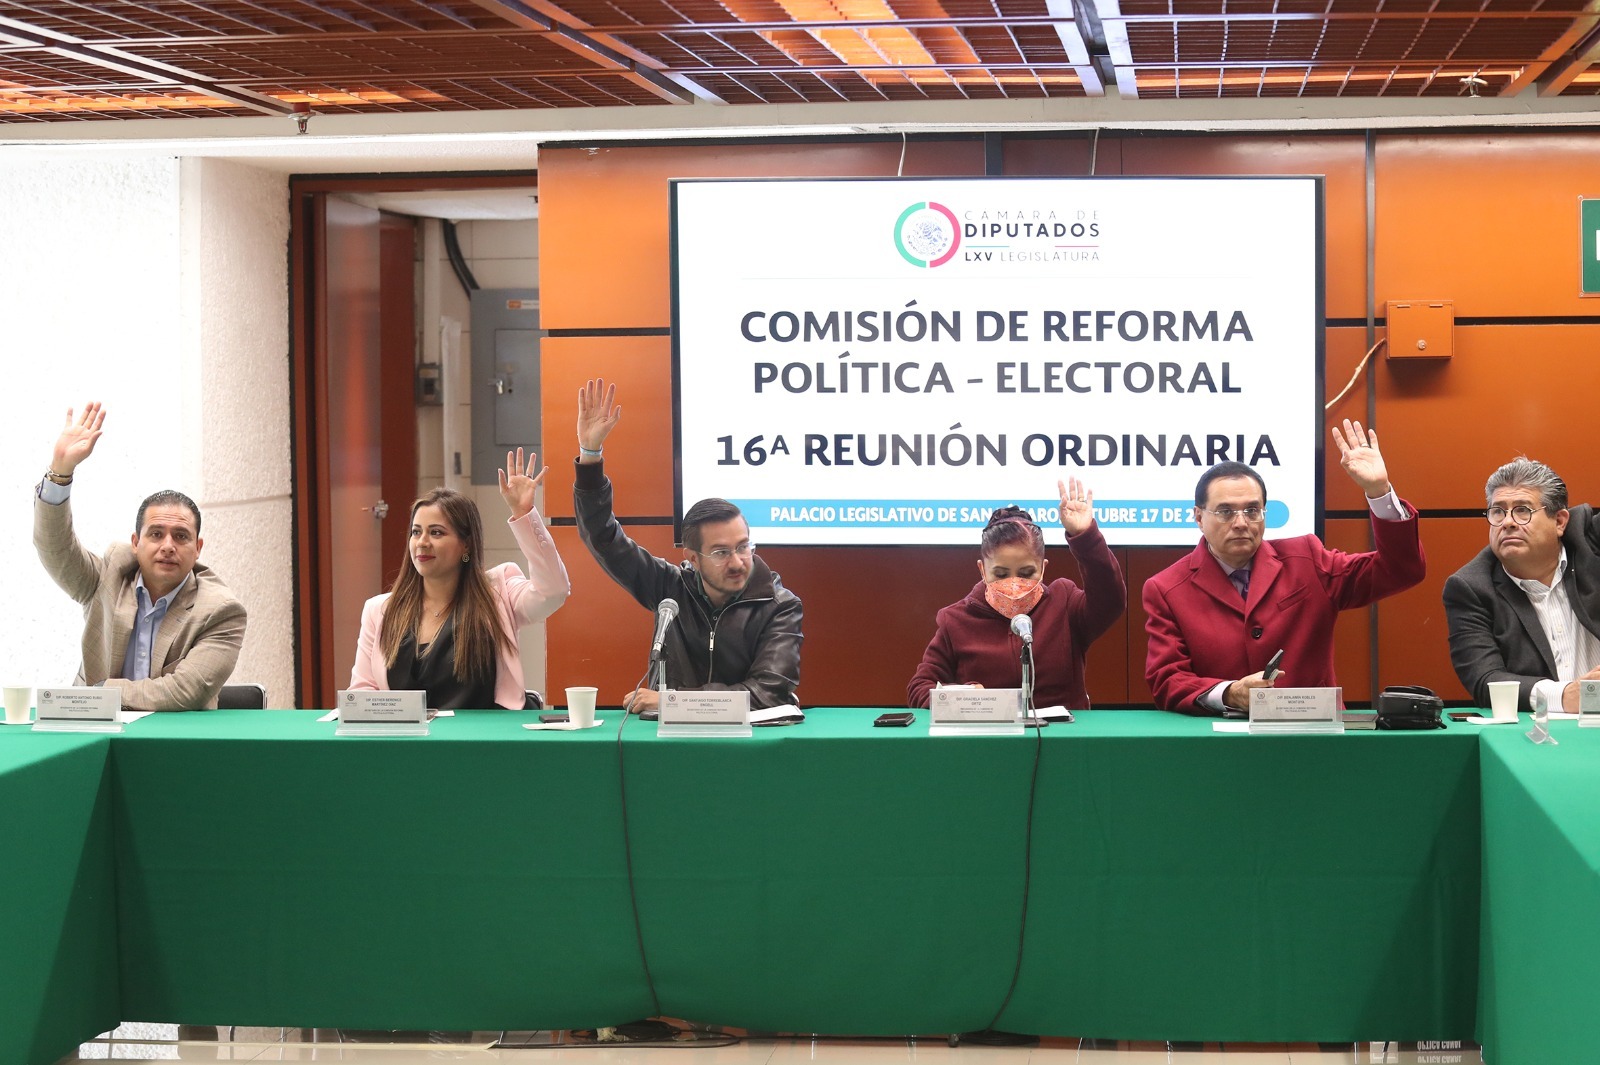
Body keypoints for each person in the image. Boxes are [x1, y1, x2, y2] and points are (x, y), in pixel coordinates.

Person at [1143, 420, 1425, 714]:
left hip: (1312, 732)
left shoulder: (1307, 558)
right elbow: (1168, 680)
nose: (1241, 523)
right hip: (1221, 734)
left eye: (1252, 510)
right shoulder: (1166, 589)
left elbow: (1401, 570)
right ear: (1199, 517)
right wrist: (1230, 693)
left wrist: (1379, 492)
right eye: (1225, 511)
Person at [574, 378, 803, 713]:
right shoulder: (670, 590)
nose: (738, 561)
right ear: (693, 558)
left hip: (749, 741)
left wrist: (673, 701)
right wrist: (590, 456)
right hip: (669, 740)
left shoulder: (779, 606)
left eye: (743, 547)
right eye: (721, 552)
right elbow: (603, 539)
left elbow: (766, 694)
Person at [33, 402, 247, 711]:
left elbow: (184, 691)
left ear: (198, 548)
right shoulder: (108, 577)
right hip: (94, 732)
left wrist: (98, 693)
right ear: (136, 543)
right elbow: (55, 548)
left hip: (173, 736)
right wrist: (60, 474)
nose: (168, 546)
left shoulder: (221, 610)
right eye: (156, 534)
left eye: (181, 536)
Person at [348, 449, 571, 710]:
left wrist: (524, 514)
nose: (422, 542)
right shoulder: (379, 610)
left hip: (486, 734)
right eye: (416, 532)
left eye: (436, 533)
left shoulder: (498, 593)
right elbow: (362, 695)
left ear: (466, 545)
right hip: (411, 737)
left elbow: (553, 591)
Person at [907, 480, 1125, 709]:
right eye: (1000, 574)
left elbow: (1110, 600)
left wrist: (1085, 537)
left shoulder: (1064, 603)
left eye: (1026, 573)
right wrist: (966, 697)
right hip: (989, 731)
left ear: (1043, 568)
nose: (1013, 583)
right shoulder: (955, 620)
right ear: (982, 570)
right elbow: (919, 688)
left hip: (1063, 730)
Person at [1442, 457, 1600, 714]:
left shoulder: (1591, 540)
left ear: (1560, 522)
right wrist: (1564, 696)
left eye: (1523, 510)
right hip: (1540, 731)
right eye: (1498, 511)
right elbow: (1486, 681)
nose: (1508, 522)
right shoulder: (1470, 588)